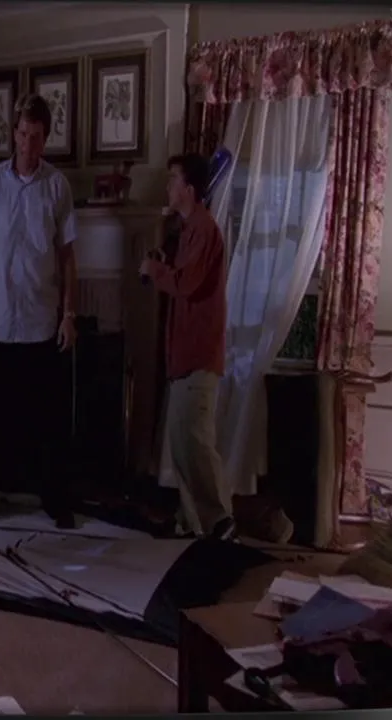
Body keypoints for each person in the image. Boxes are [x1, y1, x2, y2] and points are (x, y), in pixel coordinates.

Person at [0, 94, 79, 528]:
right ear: (13, 134)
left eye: (36, 137)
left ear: (45, 139)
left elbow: (67, 256)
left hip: (40, 318)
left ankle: (56, 497)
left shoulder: (57, 186)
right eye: (23, 134)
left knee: (50, 418)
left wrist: (69, 314)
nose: (28, 144)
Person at [139, 153, 234, 540]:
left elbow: (187, 283)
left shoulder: (205, 230)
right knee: (181, 445)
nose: (167, 186)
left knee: (195, 444)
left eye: (173, 179)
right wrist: (165, 260)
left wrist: (155, 271)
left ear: (189, 189)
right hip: (183, 357)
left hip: (198, 356)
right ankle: (194, 525)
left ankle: (220, 522)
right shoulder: (188, 231)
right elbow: (183, 274)